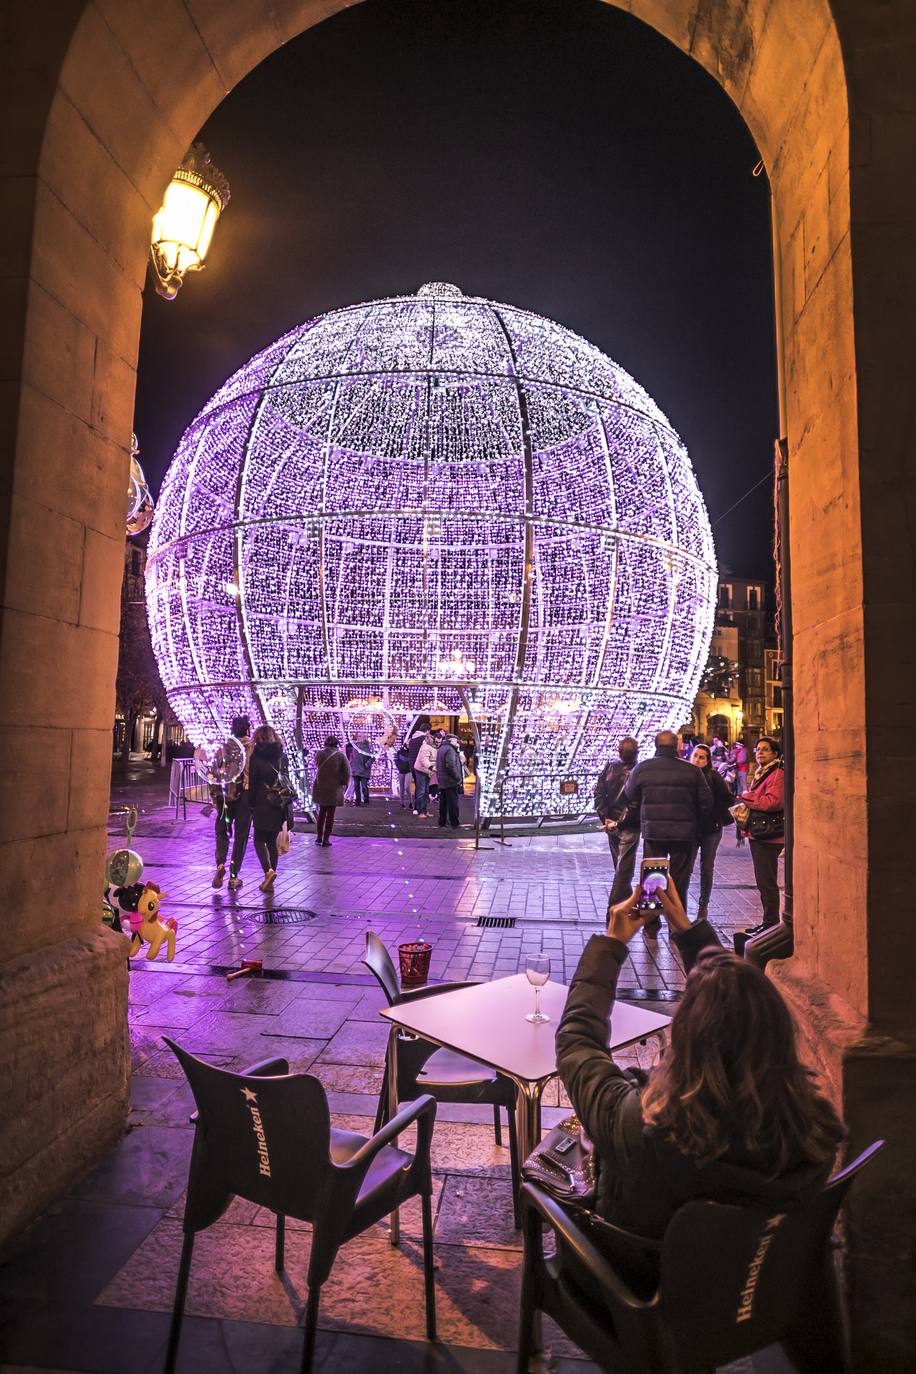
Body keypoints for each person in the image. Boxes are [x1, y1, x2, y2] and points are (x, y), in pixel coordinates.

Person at [555, 878, 844, 1294]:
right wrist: (688, 932)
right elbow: (735, 1007)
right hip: (754, 1292)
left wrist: (612, 944)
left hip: (639, 1300)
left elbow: (578, 1043)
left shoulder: (646, 1127)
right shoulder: (813, 1125)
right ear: (778, 1034)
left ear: (687, 1037)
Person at [624, 728, 713, 934]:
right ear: (677, 747)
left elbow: (629, 794)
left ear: (656, 746)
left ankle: (651, 925)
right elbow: (706, 802)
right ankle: (678, 926)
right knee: (680, 881)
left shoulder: (643, 768)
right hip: (684, 833)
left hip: (654, 833)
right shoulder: (692, 771)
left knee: (652, 879)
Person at [738, 735, 785, 932]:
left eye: (765, 749)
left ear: (775, 753)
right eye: (758, 749)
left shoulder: (777, 774)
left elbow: (773, 802)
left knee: (767, 882)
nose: (760, 752)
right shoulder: (762, 772)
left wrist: (747, 797)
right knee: (763, 881)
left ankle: (770, 925)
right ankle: (768, 922)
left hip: (769, 835)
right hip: (759, 833)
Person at [686, 743, 735, 921]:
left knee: (706, 867)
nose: (697, 760)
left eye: (702, 757)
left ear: (707, 761)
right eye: (695, 756)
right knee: (687, 866)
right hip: (692, 829)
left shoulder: (713, 776)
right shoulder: (686, 775)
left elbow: (729, 799)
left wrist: (713, 813)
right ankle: (680, 904)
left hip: (711, 830)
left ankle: (703, 906)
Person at [594, 737, 641, 906]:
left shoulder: (610, 768)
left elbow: (599, 794)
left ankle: (623, 901)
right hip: (630, 824)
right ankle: (617, 905)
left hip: (612, 821)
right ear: (636, 752)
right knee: (624, 867)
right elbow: (635, 802)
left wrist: (605, 817)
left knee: (620, 865)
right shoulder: (639, 770)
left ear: (619, 752)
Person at [247, 725, 290, 892]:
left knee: (258, 840)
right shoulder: (282, 756)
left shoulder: (256, 757)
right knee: (272, 840)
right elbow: (285, 778)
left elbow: (253, 783)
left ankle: (268, 871)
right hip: (279, 801)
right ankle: (271, 877)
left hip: (262, 801)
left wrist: (251, 805)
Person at [212, 715, 251, 888]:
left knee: (222, 832)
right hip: (244, 798)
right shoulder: (252, 748)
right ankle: (234, 876)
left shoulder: (223, 748)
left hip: (224, 798)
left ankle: (220, 864)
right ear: (247, 729)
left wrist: (214, 796)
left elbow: (213, 772)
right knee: (240, 836)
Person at [311, 735, 350, 847]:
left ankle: (318, 837)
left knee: (322, 812)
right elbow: (347, 772)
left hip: (320, 786)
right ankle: (326, 839)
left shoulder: (319, 754)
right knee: (331, 814)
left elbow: (316, 764)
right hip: (334, 787)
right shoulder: (340, 756)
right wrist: (344, 783)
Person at [435, 732, 464, 829]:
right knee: (453, 803)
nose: (457, 743)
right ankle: (454, 822)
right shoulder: (450, 750)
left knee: (443, 803)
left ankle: (442, 822)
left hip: (443, 779)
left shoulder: (441, 748)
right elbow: (450, 766)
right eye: (456, 741)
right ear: (451, 740)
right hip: (450, 780)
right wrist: (457, 777)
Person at [412, 725, 438, 818]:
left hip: (426, 771)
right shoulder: (425, 746)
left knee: (426, 791)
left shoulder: (432, 746)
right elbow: (424, 760)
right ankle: (420, 811)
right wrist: (431, 767)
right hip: (421, 770)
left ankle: (424, 810)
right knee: (421, 791)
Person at [350, 735, 375, 806]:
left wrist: (366, 765)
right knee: (356, 786)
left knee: (364, 786)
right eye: (359, 736)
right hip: (355, 769)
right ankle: (358, 801)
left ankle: (366, 801)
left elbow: (373, 757)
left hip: (364, 770)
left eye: (361, 736)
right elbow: (353, 757)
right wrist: (351, 764)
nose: (359, 737)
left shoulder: (368, 747)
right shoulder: (355, 746)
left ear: (364, 738)